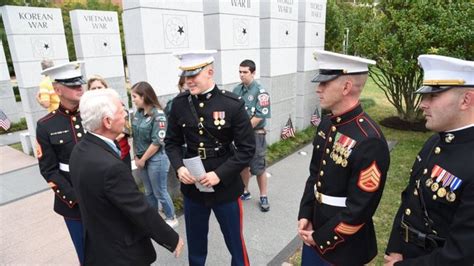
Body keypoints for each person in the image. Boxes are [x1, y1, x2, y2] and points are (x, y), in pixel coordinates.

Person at [69, 89, 184, 265]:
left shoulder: (80, 149)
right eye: (120, 110)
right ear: (107, 121)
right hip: (121, 253)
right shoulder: (110, 167)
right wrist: (171, 238)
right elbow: (138, 208)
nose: (125, 114)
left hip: (99, 245)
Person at [297, 50, 390, 265]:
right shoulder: (328, 123)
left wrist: (322, 238)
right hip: (315, 226)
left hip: (342, 245)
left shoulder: (369, 140)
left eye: (325, 83)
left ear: (346, 87)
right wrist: (305, 213)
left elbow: (360, 208)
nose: (318, 89)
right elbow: (314, 175)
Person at [165, 50, 255, 266]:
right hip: (193, 186)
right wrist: (178, 168)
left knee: (235, 243)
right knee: (196, 246)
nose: (188, 81)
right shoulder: (179, 104)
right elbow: (172, 142)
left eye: (193, 75)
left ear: (210, 72)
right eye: (186, 76)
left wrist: (219, 174)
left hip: (225, 185)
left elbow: (246, 149)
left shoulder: (232, 104)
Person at [384, 55, 474, 265]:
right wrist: (396, 249)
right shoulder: (434, 142)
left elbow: (461, 255)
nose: (422, 104)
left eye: (433, 96)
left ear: (466, 100)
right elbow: (409, 200)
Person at [35, 61, 87, 264]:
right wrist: (76, 198)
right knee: (86, 254)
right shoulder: (46, 125)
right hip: (74, 203)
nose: (79, 87)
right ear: (57, 90)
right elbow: (48, 170)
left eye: (79, 83)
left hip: (103, 195)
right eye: (72, 84)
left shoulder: (93, 114)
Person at [131, 81, 178, 228]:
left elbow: (157, 141)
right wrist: (137, 157)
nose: (133, 100)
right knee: (149, 192)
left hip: (156, 159)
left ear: (144, 96)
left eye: (134, 96)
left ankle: (171, 217)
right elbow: (135, 136)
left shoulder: (159, 115)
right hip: (141, 159)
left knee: (160, 191)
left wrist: (143, 159)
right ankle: (153, 218)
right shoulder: (138, 114)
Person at [233, 59, 272, 212]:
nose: (241, 75)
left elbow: (259, 116)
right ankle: (245, 191)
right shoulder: (236, 90)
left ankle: (263, 196)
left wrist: (241, 130)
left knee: (258, 167)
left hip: (255, 134)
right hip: (240, 135)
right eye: (240, 72)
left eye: (245, 72)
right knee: (243, 164)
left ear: (253, 73)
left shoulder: (261, 92)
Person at [87, 75, 132, 169]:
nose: (97, 90)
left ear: (105, 88)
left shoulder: (118, 105)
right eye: (93, 88)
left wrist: (104, 142)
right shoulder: (87, 111)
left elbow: (125, 130)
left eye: (99, 87)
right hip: (101, 158)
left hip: (121, 153)